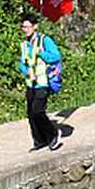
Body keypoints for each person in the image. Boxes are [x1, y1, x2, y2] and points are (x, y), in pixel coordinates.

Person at [19, 15, 63, 151]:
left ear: (34, 26)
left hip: (43, 82)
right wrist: (27, 72)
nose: (25, 29)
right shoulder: (24, 45)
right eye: (23, 27)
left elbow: (56, 56)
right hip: (30, 83)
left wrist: (42, 53)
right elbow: (22, 63)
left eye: (28, 26)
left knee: (38, 111)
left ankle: (52, 134)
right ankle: (39, 141)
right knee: (31, 114)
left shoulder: (45, 40)